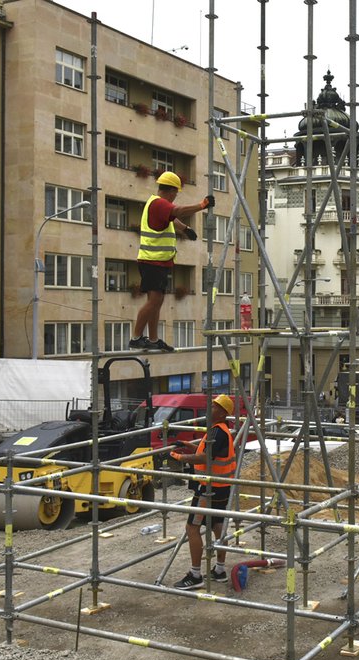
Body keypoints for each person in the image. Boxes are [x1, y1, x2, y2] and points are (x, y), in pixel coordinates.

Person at [130, 171, 214, 352]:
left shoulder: (156, 204)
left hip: (157, 262)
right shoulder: (159, 203)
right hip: (152, 261)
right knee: (154, 301)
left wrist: (185, 228)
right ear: (171, 190)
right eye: (176, 192)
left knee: (157, 301)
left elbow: (171, 218)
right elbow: (177, 211)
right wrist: (202, 205)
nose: (176, 195)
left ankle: (152, 339)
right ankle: (136, 337)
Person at [168, 394, 237, 590]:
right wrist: (189, 446)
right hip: (221, 487)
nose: (210, 409)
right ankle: (220, 570)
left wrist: (180, 458)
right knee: (217, 526)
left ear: (223, 413)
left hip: (209, 488)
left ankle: (195, 575)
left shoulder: (217, 431)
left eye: (214, 407)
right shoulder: (221, 431)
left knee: (192, 528)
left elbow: (204, 458)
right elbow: (209, 452)